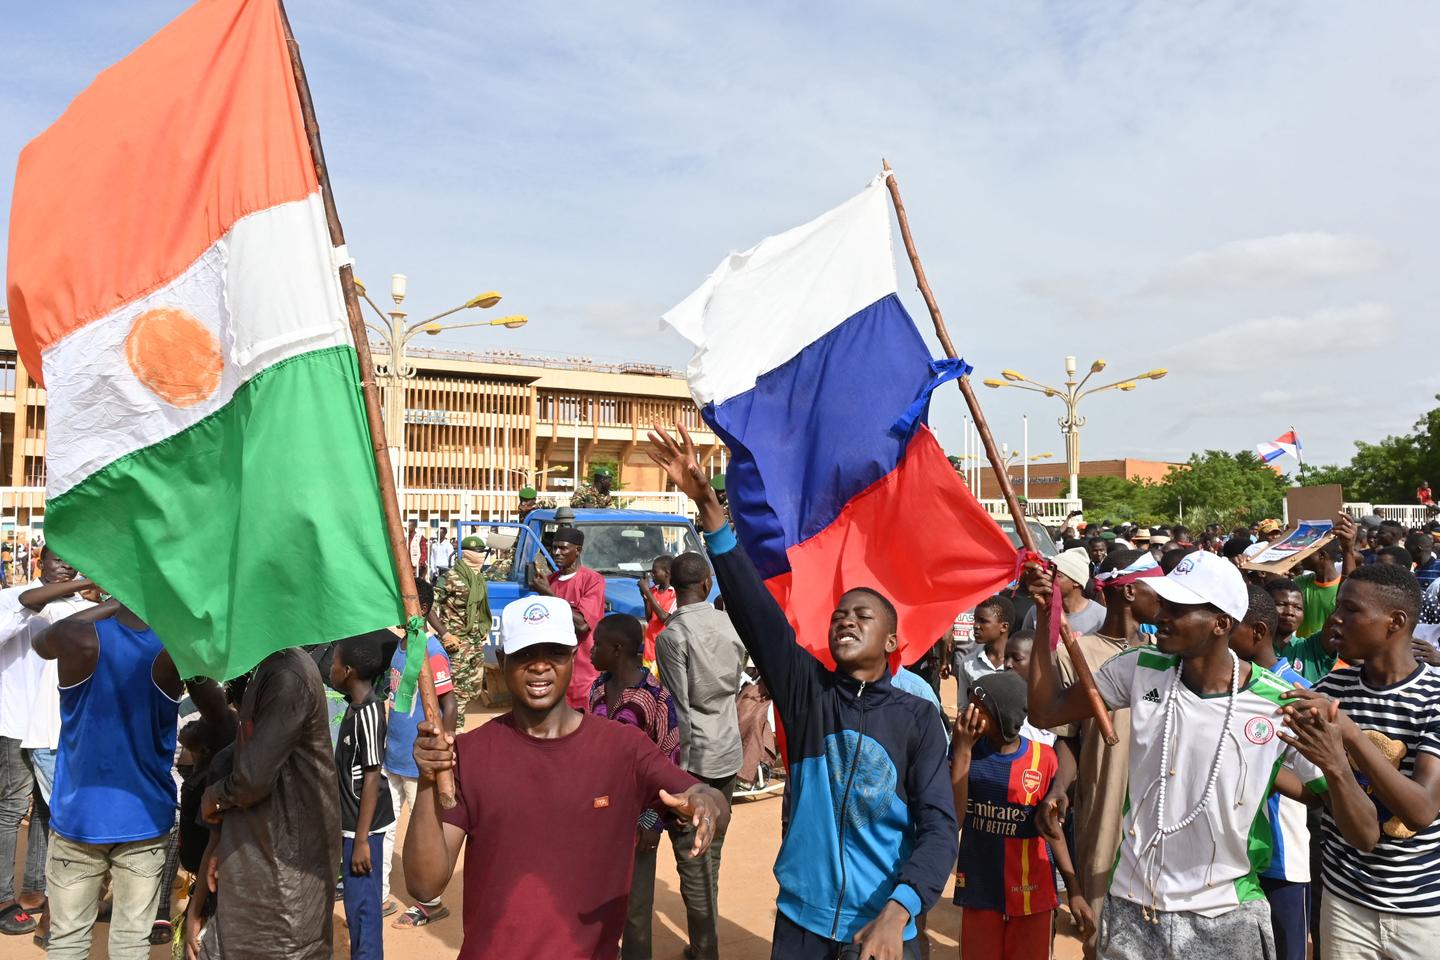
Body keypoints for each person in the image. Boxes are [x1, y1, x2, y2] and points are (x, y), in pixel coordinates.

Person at [646, 424, 957, 960]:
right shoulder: (807, 694)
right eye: (839, 616)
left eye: (863, 616)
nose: (846, 621)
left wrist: (900, 911)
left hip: (881, 931)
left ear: (891, 641)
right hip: (802, 925)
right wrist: (711, 511)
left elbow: (939, 828)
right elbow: (756, 614)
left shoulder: (918, 715)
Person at [1026, 550, 1377, 959]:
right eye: (1164, 604)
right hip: (1133, 906)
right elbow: (1046, 712)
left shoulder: (1277, 703)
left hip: (1227, 915)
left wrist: (1335, 766)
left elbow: (1364, 833)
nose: (1161, 616)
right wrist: (1045, 619)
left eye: (1178, 609)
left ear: (1221, 623)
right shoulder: (1139, 668)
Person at [403, 594, 728, 960]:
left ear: (574, 657)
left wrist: (707, 802)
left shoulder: (624, 749)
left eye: (555, 653)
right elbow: (424, 884)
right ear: (503, 660)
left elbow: (710, 799)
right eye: (526, 654)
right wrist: (428, 780)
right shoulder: (469, 753)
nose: (541, 666)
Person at [32, 596, 229, 960]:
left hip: (78, 817)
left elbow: (42, 641)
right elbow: (222, 717)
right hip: (144, 819)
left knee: (68, 940)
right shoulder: (174, 651)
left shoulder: (77, 636)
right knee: (131, 942)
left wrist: (113, 602)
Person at [1284, 563, 1440, 955]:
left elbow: (1421, 811)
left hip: (1424, 910)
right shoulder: (1330, 688)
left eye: (1351, 609)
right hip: (1344, 900)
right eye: (1337, 606)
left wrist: (1350, 733)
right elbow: (1319, 793)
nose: (1335, 618)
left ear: (1395, 622)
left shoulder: (1434, 697)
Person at [1037, 549, 1160, 960]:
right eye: (1155, 587)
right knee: (1102, 934)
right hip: (1103, 811)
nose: (1164, 597)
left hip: (1156, 815)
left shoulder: (1165, 655)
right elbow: (1068, 737)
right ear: (1129, 592)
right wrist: (1060, 786)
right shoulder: (1077, 653)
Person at [197, 647, 341, 960]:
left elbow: (252, 780)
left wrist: (214, 797)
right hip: (259, 854)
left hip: (285, 872)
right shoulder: (271, 669)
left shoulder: (287, 675)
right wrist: (227, 844)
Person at [951, 671, 1094, 959]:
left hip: (1032, 891)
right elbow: (955, 819)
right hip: (980, 887)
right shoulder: (965, 755)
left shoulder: (1043, 759)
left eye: (978, 709)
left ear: (1003, 718)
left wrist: (1074, 888)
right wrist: (962, 752)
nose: (967, 714)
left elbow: (1052, 828)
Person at [653, 551, 746, 960]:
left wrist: (682, 771)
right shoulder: (731, 624)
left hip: (695, 758)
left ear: (673, 587)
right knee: (714, 848)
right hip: (728, 748)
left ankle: (705, 950)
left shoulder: (672, 636)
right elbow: (737, 682)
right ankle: (704, 943)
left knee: (692, 855)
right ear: (708, 584)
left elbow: (679, 708)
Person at [0, 548, 90, 938]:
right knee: (11, 808)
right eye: (58, 559)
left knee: (44, 811)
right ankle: (3, 898)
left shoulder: (74, 606)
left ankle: (34, 889)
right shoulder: (13, 598)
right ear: (40, 562)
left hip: (53, 726)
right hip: (14, 720)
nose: (66, 565)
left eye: (73, 560)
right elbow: (22, 610)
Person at [587, 613, 683, 960]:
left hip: (639, 822)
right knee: (595, 904)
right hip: (598, 817)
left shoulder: (656, 697)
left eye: (597, 645)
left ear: (617, 649)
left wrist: (653, 820)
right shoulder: (597, 688)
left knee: (636, 912)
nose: (590, 651)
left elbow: (669, 760)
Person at [1228, 585, 1313, 960]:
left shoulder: (1296, 692)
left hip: (1281, 856)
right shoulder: (1226, 684)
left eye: (1229, 626)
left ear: (1257, 631)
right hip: (1235, 855)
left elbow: (1318, 783)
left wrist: (1257, 760)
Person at [382, 580, 458, 928]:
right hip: (394, 755)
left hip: (418, 763)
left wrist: (444, 743)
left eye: (402, 603)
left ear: (421, 609)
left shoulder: (432, 651)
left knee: (424, 827)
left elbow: (449, 703)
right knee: (385, 827)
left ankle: (431, 902)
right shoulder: (401, 644)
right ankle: (380, 894)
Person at [329, 634, 395, 960]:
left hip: (363, 828)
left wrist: (362, 840)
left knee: (365, 911)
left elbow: (372, 775)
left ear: (348, 672)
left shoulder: (368, 713)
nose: (330, 667)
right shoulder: (353, 708)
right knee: (356, 907)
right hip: (352, 826)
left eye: (335, 662)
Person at [529, 526, 606, 708]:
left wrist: (549, 595)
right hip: (553, 670)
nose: (557, 553)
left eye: (563, 548)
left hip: (582, 672)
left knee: (582, 720)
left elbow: (582, 625)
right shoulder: (550, 581)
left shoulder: (592, 580)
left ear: (578, 550)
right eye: (554, 548)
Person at [431, 534, 493, 728]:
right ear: (467, 553)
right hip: (456, 642)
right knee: (457, 691)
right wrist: (445, 634)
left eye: (483, 552)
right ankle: (454, 730)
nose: (481, 555)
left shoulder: (479, 577)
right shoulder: (449, 577)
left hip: (474, 641)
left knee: (473, 688)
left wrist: (482, 627)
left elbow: (480, 607)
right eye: (478, 552)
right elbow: (429, 607)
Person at [1021, 547, 1105, 637]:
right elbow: (1026, 643)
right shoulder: (1036, 612)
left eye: (1057, 576)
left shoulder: (1101, 616)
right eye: (1047, 573)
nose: (1048, 579)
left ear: (1076, 582)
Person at [1000, 630, 1056, 746]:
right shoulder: (998, 700)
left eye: (1017, 658)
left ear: (1038, 661)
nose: (1007, 664)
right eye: (1006, 658)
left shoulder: (1054, 705)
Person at [957, 595, 1012, 707]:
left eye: (983, 621)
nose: (976, 626)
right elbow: (964, 708)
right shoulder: (968, 664)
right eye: (975, 620)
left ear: (1004, 627)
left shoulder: (1020, 664)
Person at [637, 554, 677, 667]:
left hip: (664, 654)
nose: (652, 575)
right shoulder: (654, 591)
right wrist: (645, 598)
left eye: (655, 572)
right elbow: (649, 618)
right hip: (650, 650)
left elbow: (664, 618)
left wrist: (647, 592)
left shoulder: (674, 594)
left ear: (667, 573)